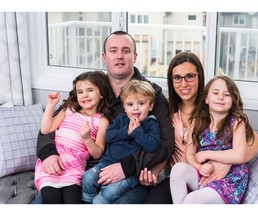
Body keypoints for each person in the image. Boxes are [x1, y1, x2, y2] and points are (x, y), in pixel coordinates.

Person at [35, 30, 174, 204]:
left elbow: (166, 143)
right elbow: (54, 123)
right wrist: (48, 153)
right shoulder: (92, 88)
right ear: (104, 56)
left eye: (126, 50)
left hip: (129, 175)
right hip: (79, 173)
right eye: (113, 50)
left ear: (135, 56)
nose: (119, 56)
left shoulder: (151, 94)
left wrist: (127, 166)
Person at [142, 52, 258, 204]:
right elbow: (162, 146)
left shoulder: (218, 110)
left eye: (190, 76)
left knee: (192, 200)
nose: (184, 83)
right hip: (188, 175)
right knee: (152, 203)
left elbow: (257, 143)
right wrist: (155, 169)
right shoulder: (166, 110)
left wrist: (225, 163)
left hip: (217, 178)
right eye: (177, 78)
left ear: (199, 78)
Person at [170, 75, 254, 204]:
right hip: (205, 175)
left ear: (233, 99)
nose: (220, 97)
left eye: (226, 94)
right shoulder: (197, 122)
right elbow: (190, 155)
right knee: (178, 169)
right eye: (215, 93)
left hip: (229, 180)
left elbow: (239, 154)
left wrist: (206, 154)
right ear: (206, 98)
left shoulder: (236, 122)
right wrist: (198, 166)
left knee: (191, 200)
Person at [34, 71, 113, 204]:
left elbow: (98, 152)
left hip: (74, 168)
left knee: (73, 201)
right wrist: (50, 106)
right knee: (51, 200)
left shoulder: (101, 121)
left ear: (101, 94)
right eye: (80, 92)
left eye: (90, 90)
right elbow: (46, 129)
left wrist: (87, 139)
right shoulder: (69, 110)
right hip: (53, 166)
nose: (84, 95)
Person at [82, 80, 160, 204]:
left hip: (131, 173)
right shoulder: (121, 119)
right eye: (130, 104)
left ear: (150, 106)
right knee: (87, 178)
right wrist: (127, 131)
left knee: (111, 191)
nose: (135, 108)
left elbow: (153, 146)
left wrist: (137, 132)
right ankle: (87, 201)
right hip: (106, 164)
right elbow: (109, 136)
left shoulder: (151, 123)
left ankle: (98, 203)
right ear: (124, 107)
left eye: (141, 103)